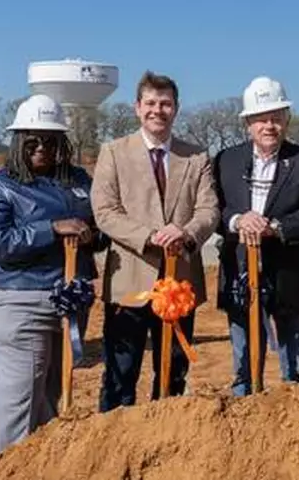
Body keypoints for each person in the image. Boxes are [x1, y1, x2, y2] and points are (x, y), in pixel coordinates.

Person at [0, 94, 110, 454]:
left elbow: (100, 230)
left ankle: (43, 465)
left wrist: (92, 234)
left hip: (69, 300)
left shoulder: (78, 180)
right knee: (20, 396)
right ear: (18, 141)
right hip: (21, 302)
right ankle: (11, 464)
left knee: (52, 393)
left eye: (51, 140)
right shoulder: (0, 187)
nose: (41, 147)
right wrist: (53, 228)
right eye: (32, 139)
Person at [90, 71, 220, 411]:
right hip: (130, 282)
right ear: (137, 107)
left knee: (173, 370)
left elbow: (209, 209)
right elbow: (105, 211)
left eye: (165, 104)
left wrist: (186, 233)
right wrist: (149, 237)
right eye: (150, 103)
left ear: (175, 109)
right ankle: (116, 439)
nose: (157, 110)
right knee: (122, 370)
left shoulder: (197, 158)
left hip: (180, 283)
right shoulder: (114, 153)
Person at [213, 76, 299, 396]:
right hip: (240, 270)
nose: (269, 126)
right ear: (248, 123)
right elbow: (214, 209)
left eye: (276, 118)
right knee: (244, 361)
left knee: (297, 363)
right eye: (262, 119)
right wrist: (238, 220)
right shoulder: (226, 160)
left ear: (286, 119)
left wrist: (276, 227)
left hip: (289, 272)